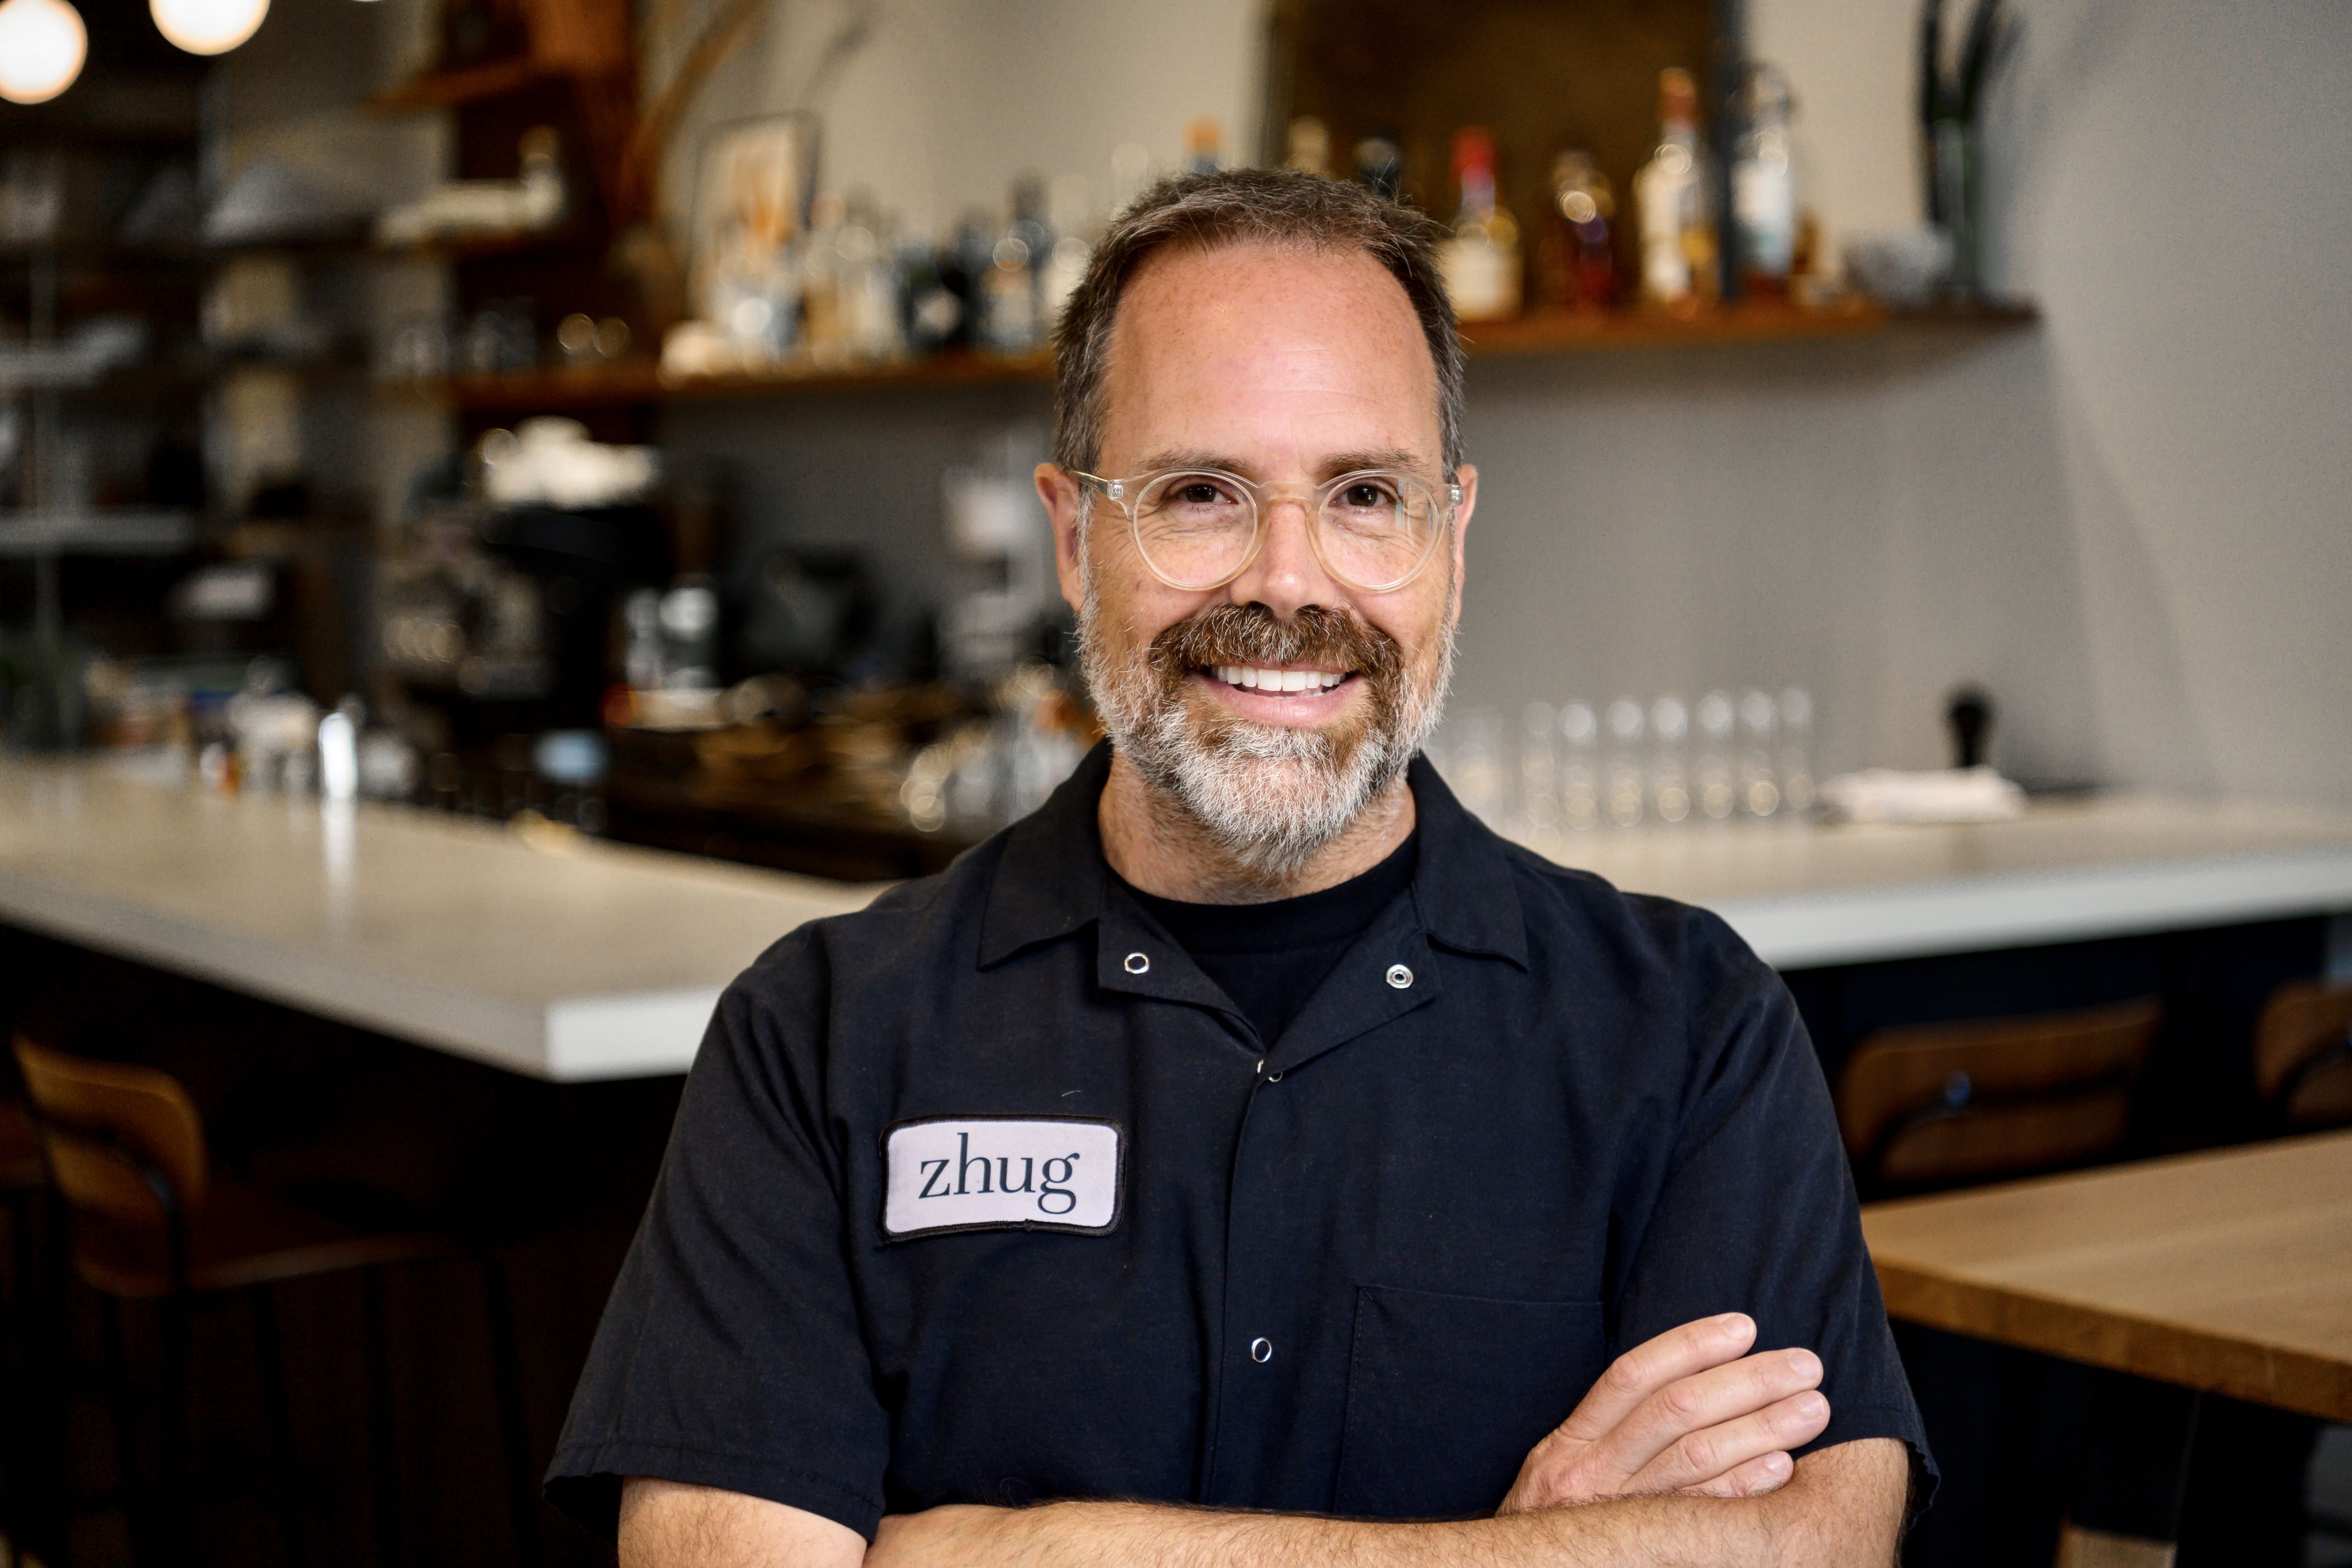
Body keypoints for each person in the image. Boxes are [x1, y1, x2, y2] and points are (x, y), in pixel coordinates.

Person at [547, 169, 1930, 1566]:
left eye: (1364, 494)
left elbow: (1817, 1542)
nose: (1288, 581)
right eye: (1200, 493)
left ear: (1449, 536)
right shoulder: (820, 1035)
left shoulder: (1684, 1024)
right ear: (1071, 539)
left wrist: (1017, 1551)